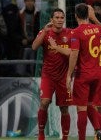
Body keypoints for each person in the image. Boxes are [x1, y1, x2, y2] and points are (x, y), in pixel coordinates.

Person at [66, 3, 101, 140]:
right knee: (91, 105)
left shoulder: (75, 32)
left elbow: (74, 54)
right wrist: (95, 18)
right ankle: (99, 130)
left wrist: (69, 75)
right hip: (97, 75)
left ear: (75, 15)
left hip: (83, 75)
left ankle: (82, 138)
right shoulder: (97, 29)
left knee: (81, 109)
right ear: (87, 15)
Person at [31, 8, 72, 140]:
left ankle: (65, 137)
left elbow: (73, 53)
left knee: (64, 108)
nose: (60, 20)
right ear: (51, 20)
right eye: (57, 17)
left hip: (64, 76)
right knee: (44, 102)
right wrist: (44, 31)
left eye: (62, 17)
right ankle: (41, 133)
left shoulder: (70, 34)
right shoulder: (45, 33)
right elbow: (34, 47)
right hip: (48, 75)